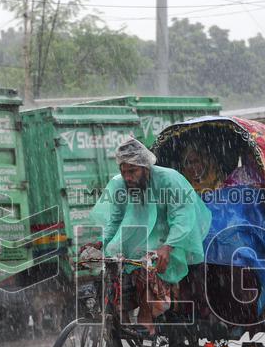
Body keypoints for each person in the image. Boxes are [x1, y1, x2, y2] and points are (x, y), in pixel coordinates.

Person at [88, 138, 212, 333]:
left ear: (146, 167)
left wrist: (168, 246)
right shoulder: (120, 185)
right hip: (142, 238)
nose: (127, 177)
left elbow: (181, 217)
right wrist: (101, 243)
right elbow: (116, 220)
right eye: (123, 171)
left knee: (147, 266)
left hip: (176, 238)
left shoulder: (169, 179)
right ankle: (121, 317)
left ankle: (147, 318)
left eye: (132, 171)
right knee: (113, 264)